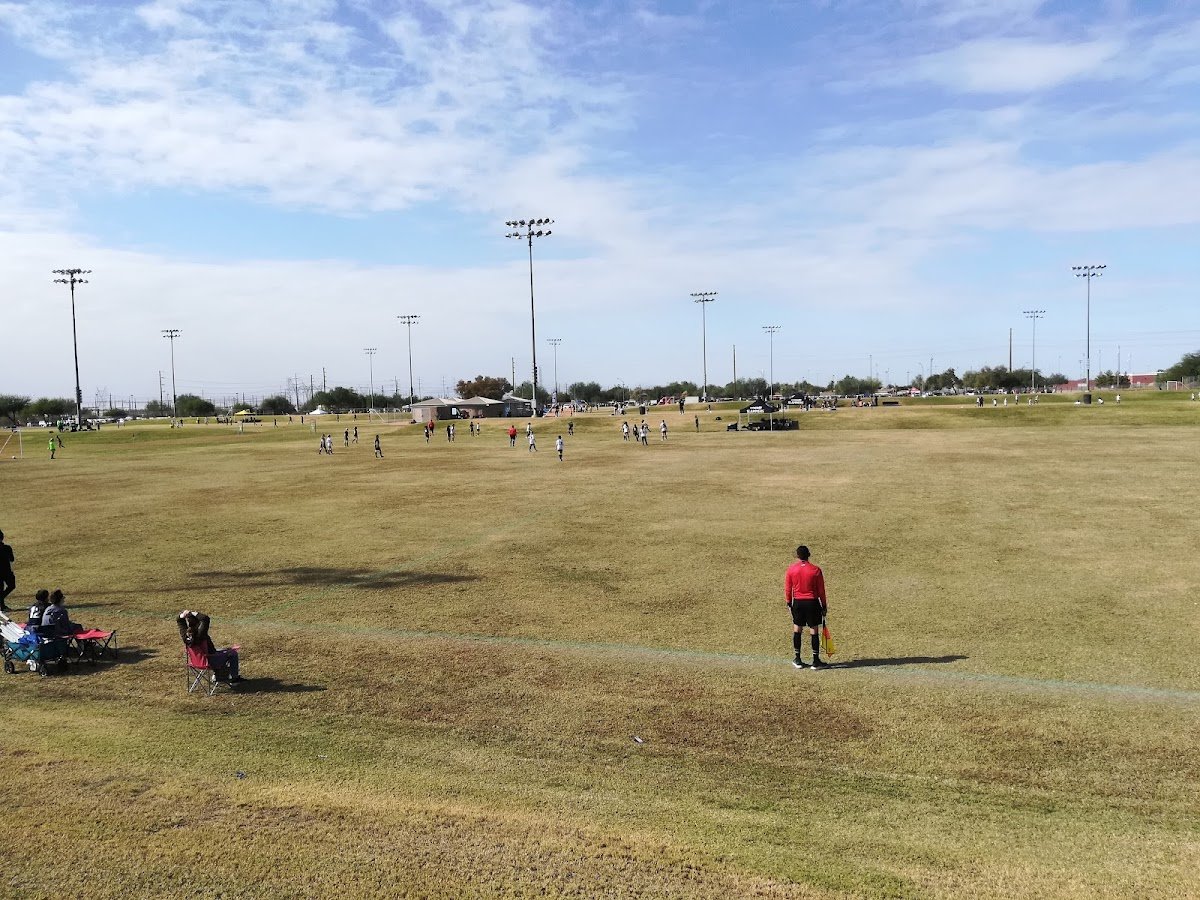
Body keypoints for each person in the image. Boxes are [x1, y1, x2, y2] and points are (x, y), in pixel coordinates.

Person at [784, 545, 829, 669]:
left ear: (798, 556)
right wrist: (824, 605)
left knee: (797, 629)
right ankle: (815, 661)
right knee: (814, 630)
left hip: (798, 602)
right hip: (812, 603)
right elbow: (821, 590)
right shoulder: (815, 570)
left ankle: (798, 658)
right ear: (808, 555)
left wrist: (789, 602)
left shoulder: (791, 569)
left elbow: (788, 588)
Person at [178, 610, 242, 682]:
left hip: (195, 661)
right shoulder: (200, 634)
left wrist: (182, 616)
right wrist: (192, 612)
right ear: (198, 623)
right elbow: (205, 619)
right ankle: (234, 678)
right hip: (209, 660)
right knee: (233, 654)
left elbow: (180, 623)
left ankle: (219, 674)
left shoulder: (185, 636)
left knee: (221, 651)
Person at [0, 529, 14, 611]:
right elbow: (12, 559)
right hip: (6, 571)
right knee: (11, 586)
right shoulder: (7, 548)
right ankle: (2, 603)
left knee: (0, 588)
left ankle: (2, 605)